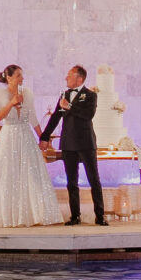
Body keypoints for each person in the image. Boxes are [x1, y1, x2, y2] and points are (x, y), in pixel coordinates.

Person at [0, 64, 58, 228]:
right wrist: (11, 103)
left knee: (29, 173)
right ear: (9, 77)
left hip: (25, 136)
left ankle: (33, 213)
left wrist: (43, 137)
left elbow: (32, 117)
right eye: (18, 75)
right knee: (6, 173)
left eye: (22, 75)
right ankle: (6, 214)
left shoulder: (27, 93)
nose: (22, 78)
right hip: (8, 136)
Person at [40, 64, 105, 226]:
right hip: (68, 143)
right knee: (71, 182)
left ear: (79, 79)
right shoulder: (65, 94)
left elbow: (88, 115)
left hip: (86, 143)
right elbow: (55, 117)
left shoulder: (90, 95)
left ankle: (100, 215)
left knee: (94, 180)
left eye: (69, 75)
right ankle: (75, 216)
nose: (66, 78)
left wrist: (69, 106)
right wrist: (45, 136)